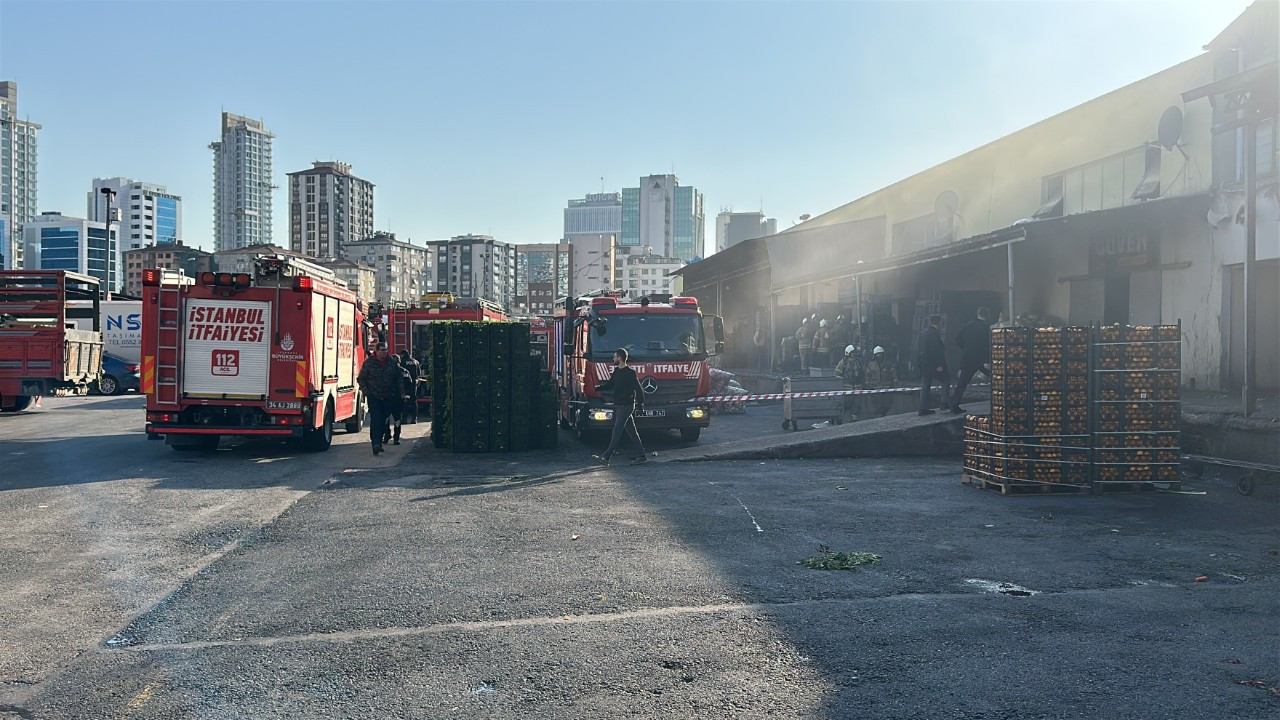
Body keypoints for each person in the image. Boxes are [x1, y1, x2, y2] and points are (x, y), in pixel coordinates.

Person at [592, 348, 649, 466]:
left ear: (620, 358)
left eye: (615, 356)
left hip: (627, 406)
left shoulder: (630, 372)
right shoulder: (617, 371)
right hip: (619, 405)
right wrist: (599, 388)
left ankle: (606, 457)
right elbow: (610, 384)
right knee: (632, 431)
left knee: (617, 430)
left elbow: (639, 389)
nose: (613, 358)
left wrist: (640, 404)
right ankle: (642, 455)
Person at [357, 342, 403, 455]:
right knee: (376, 419)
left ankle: (381, 440)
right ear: (376, 351)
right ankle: (376, 443)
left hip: (388, 396)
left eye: (386, 350)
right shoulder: (369, 363)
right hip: (374, 396)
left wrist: (401, 393)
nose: (384, 352)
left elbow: (398, 378)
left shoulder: (392, 363)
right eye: (382, 350)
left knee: (384, 420)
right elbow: (361, 378)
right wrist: (366, 392)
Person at [949, 307, 992, 413]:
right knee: (996, 378)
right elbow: (987, 345)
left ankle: (954, 404)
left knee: (962, 382)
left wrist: (967, 348)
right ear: (987, 316)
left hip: (968, 358)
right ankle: (1000, 402)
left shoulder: (967, 326)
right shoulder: (986, 328)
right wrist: (987, 360)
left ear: (977, 314)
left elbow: (957, 340)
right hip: (981, 359)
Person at [917, 315, 949, 416]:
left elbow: (920, 349)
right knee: (946, 380)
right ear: (939, 323)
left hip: (924, 363)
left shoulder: (923, 333)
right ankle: (944, 403)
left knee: (925, 385)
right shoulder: (935, 334)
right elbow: (937, 351)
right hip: (933, 364)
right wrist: (939, 364)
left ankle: (923, 408)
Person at [864, 345, 898, 417]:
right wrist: (867, 384)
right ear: (875, 355)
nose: (880, 355)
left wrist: (895, 382)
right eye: (878, 354)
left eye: (881, 353)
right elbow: (867, 375)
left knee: (887, 403)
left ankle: (883, 413)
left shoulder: (888, 363)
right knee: (877, 403)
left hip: (887, 387)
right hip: (875, 387)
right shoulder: (871, 364)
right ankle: (879, 415)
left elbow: (893, 372)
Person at [835, 344, 863, 421]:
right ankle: (840, 420)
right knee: (845, 406)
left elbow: (862, 374)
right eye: (853, 352)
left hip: (857, 389)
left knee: (856, 407)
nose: (854, 354)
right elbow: (837, 375)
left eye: (855, 352)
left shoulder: (859, 362)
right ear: (848, 353)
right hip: (847, 390)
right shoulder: (843, 363)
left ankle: (854, 423)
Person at [398, 350, 421, 424]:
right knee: (414, 401)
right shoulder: (416, 362)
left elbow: (400, 372)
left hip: (406, 384)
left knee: (405, 401)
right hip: (414, 384)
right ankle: (414, 419)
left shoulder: (403, 362)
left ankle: (404, 419)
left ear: (403, 354)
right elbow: (419, 373)